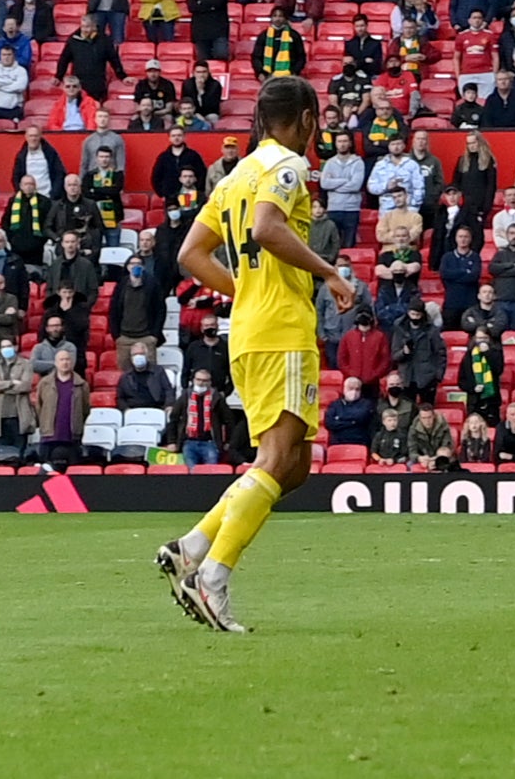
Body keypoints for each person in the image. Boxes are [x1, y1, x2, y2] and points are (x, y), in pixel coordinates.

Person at [160, 77, 333, 633]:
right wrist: (328, 271)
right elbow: (266, 227)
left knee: (295, 466)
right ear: (306, 117)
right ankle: (213, 577)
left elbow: (191, 253)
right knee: (276, 461)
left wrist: (245, 291)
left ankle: (193, 546)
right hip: (281, 330)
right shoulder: (286, 167)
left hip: (249, 331)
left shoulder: (234, 173)